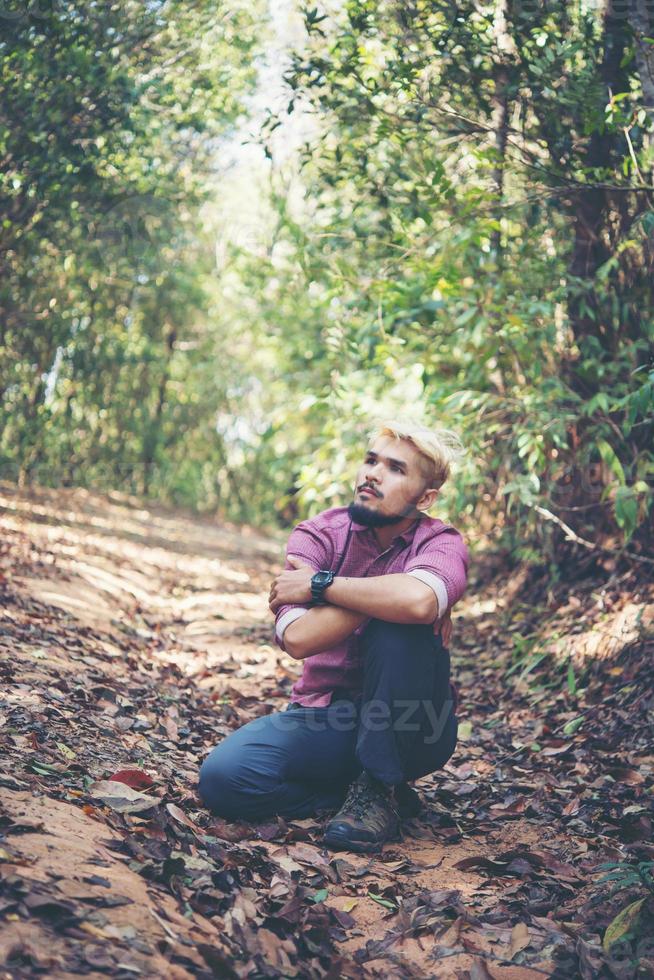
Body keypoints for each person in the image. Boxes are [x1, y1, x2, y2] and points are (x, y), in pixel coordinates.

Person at [198, 419, 469, 852]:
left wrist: (320, 586)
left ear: (426, 497)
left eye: (396, 469)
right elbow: (300, 638)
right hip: (327, 718)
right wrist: (390, 593)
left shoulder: (442, 543)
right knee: (223, 778)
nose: (373, 474)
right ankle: (354, 797)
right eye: (370, 461)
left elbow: (418, 603)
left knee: (401, 628)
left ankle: (380, 785)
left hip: (414, 725)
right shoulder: (318, 534)